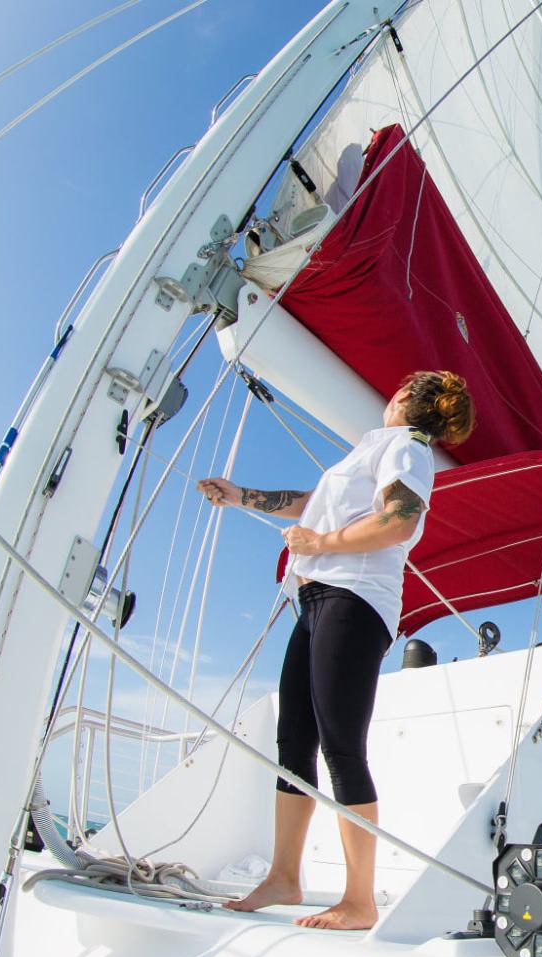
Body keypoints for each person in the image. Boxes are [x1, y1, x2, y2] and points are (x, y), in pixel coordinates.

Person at [197, 370, 475, 928]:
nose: (389, 393)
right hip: (316, 596)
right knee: (293, 740)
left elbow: (399, 520)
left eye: (397, 389)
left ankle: (359, 901)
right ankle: (284, 877)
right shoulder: (373, 450)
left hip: (356, 599)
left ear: (407, 402)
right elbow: (312, 502)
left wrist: (320, 544)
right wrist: (240, 496)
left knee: (341, 745)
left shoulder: (408, 447)